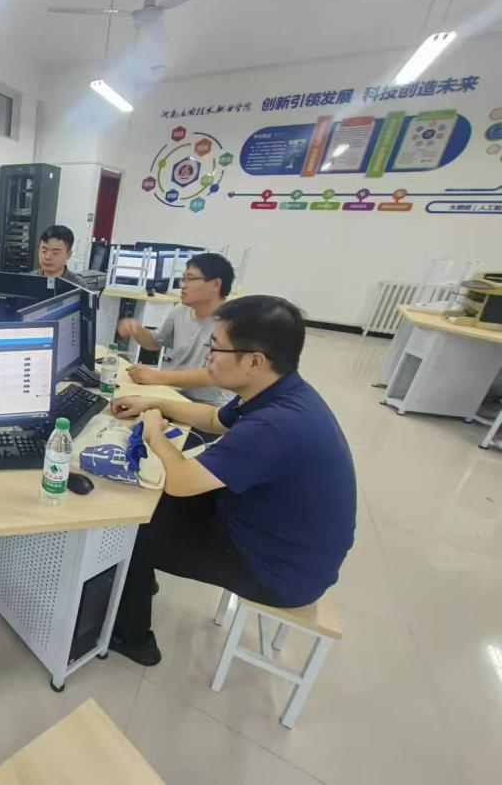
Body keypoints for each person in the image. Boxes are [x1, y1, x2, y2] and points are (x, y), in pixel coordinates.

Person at [109, 295, 355, 666]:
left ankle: (134, 639)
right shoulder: (278, 390)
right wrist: (152, 404)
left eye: (216, 348)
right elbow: (213, 419)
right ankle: (140, 582)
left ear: (255, 362)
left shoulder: (274, 426)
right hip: (272, 531)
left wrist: (155, 433)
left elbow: (181, 481)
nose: (208, 356)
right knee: (149, 503)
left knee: (131, 531)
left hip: (278, 571)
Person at [116, 253, 234, 406]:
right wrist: (136, 330)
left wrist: (156, 376)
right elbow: (155, 342)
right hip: (175, 394)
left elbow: (213, 375)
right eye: (183, 279)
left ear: (216, 284)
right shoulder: (181, 310)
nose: (182, 285)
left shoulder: (231, 322)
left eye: (190, 279)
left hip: (210, 405)